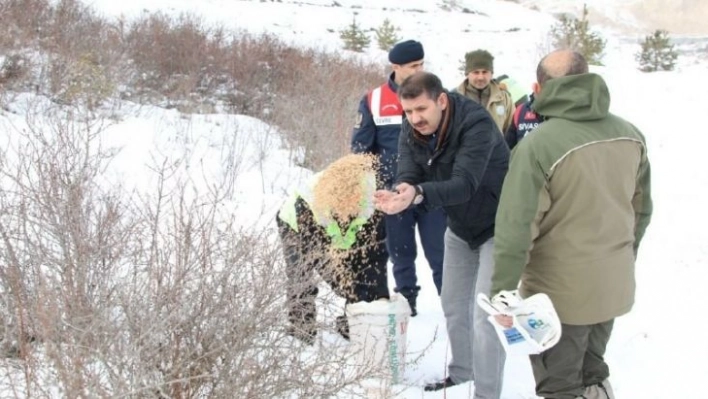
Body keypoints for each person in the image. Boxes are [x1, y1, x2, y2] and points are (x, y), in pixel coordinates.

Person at [490, 50, 653, 399]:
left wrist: (502, 292)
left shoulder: (539, 145)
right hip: (611, 286)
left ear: (538, 88)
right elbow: (641, 212)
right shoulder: (630, 135)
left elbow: (516, 226)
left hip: (557, 299)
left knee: (560, 386)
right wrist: (621, 258)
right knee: (593, 372)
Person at [374, 71, 509, 398]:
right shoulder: (412, 125)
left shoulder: (475, 124)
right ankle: (463, 374)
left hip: (499, 223)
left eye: (422, 109)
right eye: (408, 112)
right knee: (453, 303)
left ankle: (487, 394)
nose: (415, 118)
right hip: (460, 225)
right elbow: (409, 169)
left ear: (442, 101)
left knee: (486, 314)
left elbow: (465, 184)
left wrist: (418, 193)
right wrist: (402, 190)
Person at [351, 39, 446, 316]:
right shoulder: (374, 100)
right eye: (413, 66)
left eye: (422, 64)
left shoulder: (437, 94)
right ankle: (407, 302)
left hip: (430, 191)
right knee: (401, 253)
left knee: (440, 253)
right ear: (396, 67)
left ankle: (451, 303)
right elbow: (360, 150)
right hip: (393, 194)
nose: (419, 70)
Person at [276, 154, 390, 345]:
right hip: (294, 225)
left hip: (333, 231)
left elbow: (375, 259)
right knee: (301, 275)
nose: (345, 214)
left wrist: (377, 299)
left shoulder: (374, 203)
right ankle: (302, 329)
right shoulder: (310, 206)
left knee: (362, 276)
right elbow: (321, 258)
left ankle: (353, 324)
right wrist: (343, 283)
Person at [454, 49, 514, 134]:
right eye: (476, 72)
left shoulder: (503, 99)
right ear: (467, 74)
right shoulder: (455, 99)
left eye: (485, 72)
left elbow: (512, 131)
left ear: (491, 73)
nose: (480, 77)